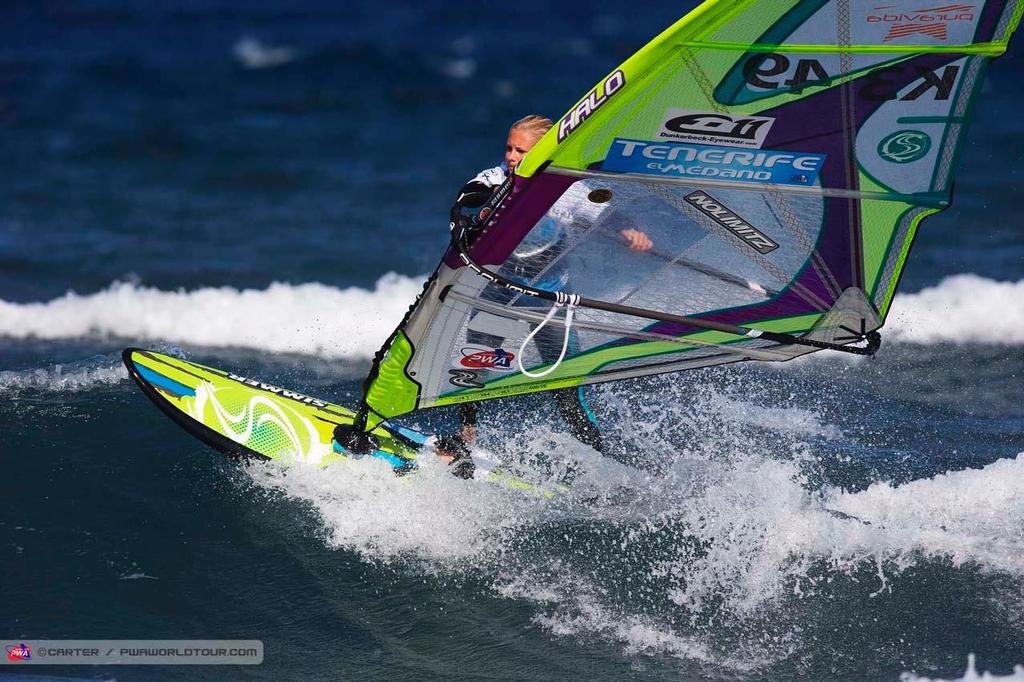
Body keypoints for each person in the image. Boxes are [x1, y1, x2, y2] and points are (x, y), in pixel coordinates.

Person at [436, 115, 652, 476]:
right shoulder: (495, 180)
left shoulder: (569, 192)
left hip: (548, 298)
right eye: (509, 147)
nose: (512, 156)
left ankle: (598, 460)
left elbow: (608, 209)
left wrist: (630, 230)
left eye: (521, 150)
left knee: (567, 383)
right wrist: (474, 212)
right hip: (498, 293)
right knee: (473, 367)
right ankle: (464, 439)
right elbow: (470, 196)